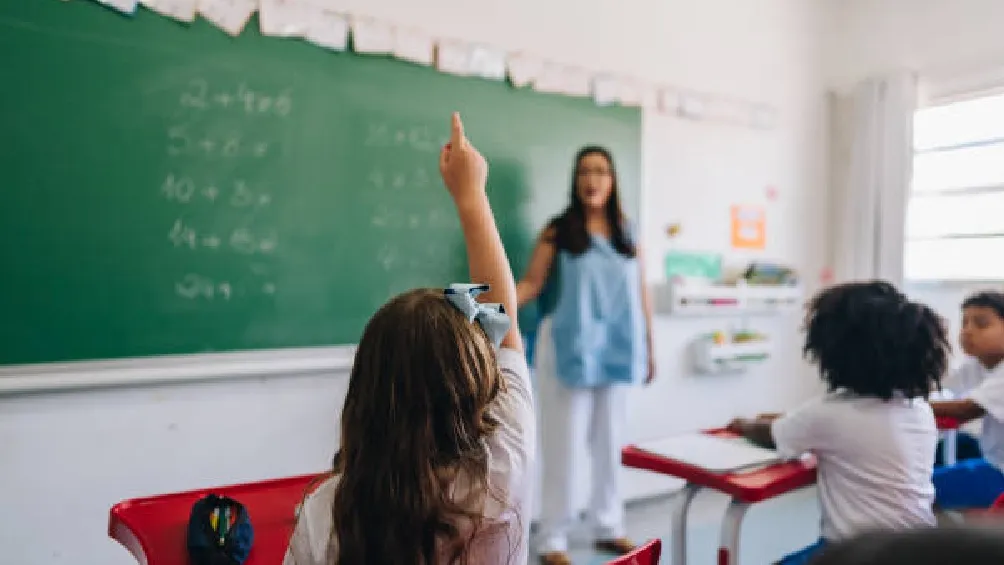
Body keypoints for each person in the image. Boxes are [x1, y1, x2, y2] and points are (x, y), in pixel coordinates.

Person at [283, 113, 535, 565]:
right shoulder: (505, 465)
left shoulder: (328, 511)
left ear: (366, 395)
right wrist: (470, 195)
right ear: (476, 385)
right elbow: (503, 321)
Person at [727, 281, 949, 565]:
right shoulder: (918, 409)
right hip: (920, 548)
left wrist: (743, 425)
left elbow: (773, 433)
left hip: (856, 555)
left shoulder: (828, 414)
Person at [516, 146, 654, 565]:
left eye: (600, 171)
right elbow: (532, 285)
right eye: (584, 172)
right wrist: (491, 306)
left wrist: (651, 345)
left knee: (610, 444)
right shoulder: (557, 232)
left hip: (617, 348)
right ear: (576, 182)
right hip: (568, 348)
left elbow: (641, 292)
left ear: (612, 182)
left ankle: (609, 525)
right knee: (564, 447)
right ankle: (553, 537)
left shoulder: (627, 232)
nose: (592, 179)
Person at [930, 291, 1004, 509]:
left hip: (1000, 472)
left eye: (981, 324)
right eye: (964, 323)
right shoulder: (977, 365)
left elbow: (966, 410)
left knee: (922, 492)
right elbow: (938, 383)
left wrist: (908, 407)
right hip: (993, 463)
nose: (968, 331)